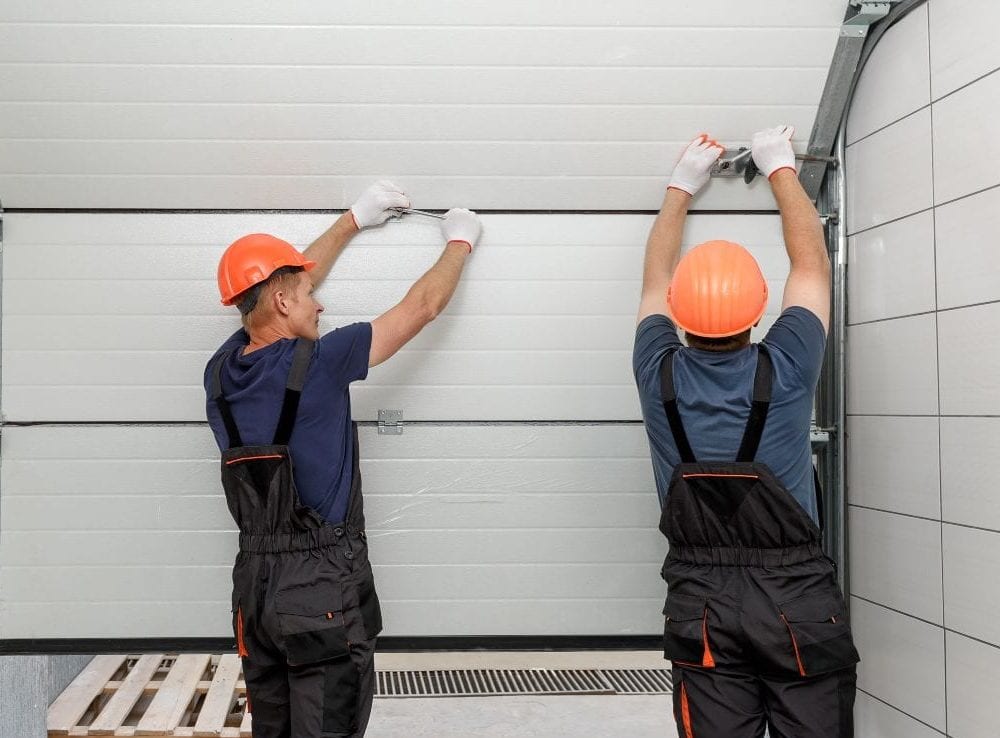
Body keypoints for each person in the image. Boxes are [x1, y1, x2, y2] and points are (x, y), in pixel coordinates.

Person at [204, 180, 482, 737]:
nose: (320, 302)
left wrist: (353, 220)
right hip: (320, 587)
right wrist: (461, 241)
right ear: (284, 303)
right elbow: (423, 307)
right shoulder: (323, 363)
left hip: (255, 590)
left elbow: (273, 292)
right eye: (308, 295)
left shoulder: (222, 371)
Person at [632, 128, 859, 737]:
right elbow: (811, 265)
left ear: (678, 313)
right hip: (796, 598)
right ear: (759, 312)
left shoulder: (656, 373)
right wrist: (780, 167)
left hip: (702, 601)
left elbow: (654, 280)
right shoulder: (787, 366)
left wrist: (681, 185)